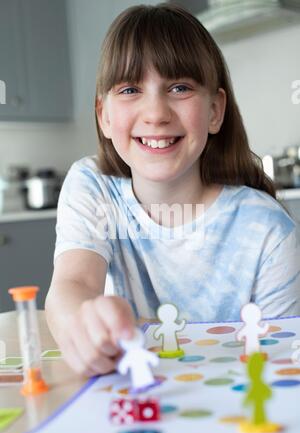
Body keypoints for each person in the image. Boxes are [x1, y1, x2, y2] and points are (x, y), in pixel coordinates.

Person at [45, 3, 300, 377]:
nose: (156, 113)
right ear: (105, 116)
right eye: (130, 89)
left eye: (179, 87)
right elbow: (74, 282)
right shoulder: (93, 186)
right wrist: (81, 324)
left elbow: (285, 365)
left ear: (214, 110)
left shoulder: (268, 231)